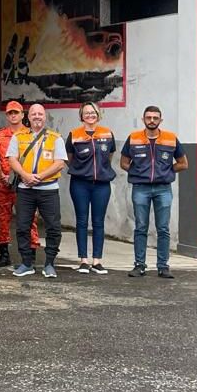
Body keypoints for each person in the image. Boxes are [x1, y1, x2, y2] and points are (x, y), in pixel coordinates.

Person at [120, 106, 187, 279]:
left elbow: (183, 163)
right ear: (143, 119)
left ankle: (163, 266)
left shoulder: (171, 139)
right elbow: (124, 162)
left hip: (163, 189)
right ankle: (139, 265)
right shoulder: (134, 138)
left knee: (163, 228)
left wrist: (166, 172)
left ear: (160, 120)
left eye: (155, 118)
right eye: (148, 117)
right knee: (141, 227)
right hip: (140, 188)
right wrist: (137, 173)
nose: (152, 120)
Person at [6, 103, 66, 279]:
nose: (37, 117)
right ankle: (26, 263)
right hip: (25, 190)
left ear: (45, 117)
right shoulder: (18, 137)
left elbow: (60, 162)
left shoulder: (56, 138)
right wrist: (25, 175)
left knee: (53, 228)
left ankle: (49, 264)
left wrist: (39, 176)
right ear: (28, 117)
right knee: (22, 227)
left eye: (40, 114)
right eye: (34, 114)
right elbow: (12, 159)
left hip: (48, 189)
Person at [68, 102, 116, 274]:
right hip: (80, 184)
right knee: (81, 221)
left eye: (93, 112)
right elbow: (70, 158)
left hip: (102, 185)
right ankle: (83, 260)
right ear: (81, 116)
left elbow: (109, 156)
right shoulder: (74, 134)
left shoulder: (107, 133)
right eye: (86, 113)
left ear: (98, 114)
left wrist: (100, 171)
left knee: (98, 222)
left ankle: (97, 260)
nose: (90, 115)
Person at [0, 101, 34, 268]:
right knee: (1, 219)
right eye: (10, 113)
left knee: (28, 219)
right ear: (6, 116)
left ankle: (30, 254)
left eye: (16, 112)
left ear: (23, 114)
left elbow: (33, 159)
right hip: (2, 185)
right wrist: (4, 177)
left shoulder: (30, 134)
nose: (13, 115)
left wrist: (19, 175)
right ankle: (4, 253)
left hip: (24, 184)